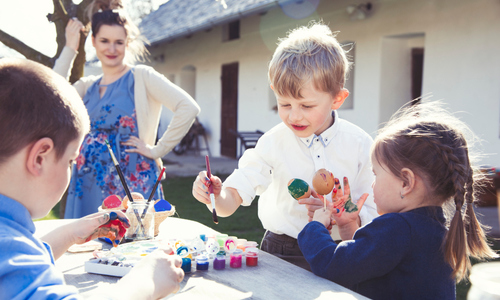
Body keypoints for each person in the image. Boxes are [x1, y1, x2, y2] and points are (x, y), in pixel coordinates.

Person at [192, 23, 378, 269]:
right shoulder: (272, 142)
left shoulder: (360, 145)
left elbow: (376, 211)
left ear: (337, 99)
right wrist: (216, 196)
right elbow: (232, 199)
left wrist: (343, 215)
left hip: (343, 248)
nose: (294, 117)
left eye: (307, 106)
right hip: (284, 251)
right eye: (285, 104)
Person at [0, 57, 184, 299]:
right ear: (39, 158)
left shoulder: (11, 242)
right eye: (70, 161)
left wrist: (70, 233)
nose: (71, 168)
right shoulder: (11, 249)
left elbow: (21, 261)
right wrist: (147, 281)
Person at [297, 101, 499, 299]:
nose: (373, 184)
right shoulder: (435, 230)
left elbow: (334, 267)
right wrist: (350, 226)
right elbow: (367, 265)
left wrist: (315, 227)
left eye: (376, 175)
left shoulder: (397, 228)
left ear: (406, 183)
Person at [54, 4, 200, 219]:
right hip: (88, 183)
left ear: (127, 44)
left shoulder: (141, 77)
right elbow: (52, 95)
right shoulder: (87, 87)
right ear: (93, 41)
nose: (111, 49)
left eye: (118, 42)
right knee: (89, 247)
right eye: (104, 41)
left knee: (133, 246)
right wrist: (70, 48)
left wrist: (157, 150)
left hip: (132, 181)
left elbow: (188, 107)